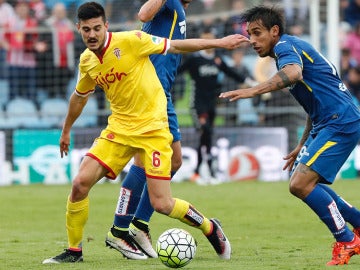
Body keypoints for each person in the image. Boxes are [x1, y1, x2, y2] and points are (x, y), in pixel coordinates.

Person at [42, 1, 249, 264]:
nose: (92, 35)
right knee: (80, 183)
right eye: (86, 30)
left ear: (106, 26)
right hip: (118, 129)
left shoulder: (133, 40)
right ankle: (75, 251)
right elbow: (79, 96)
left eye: (96, 28)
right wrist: (66, 129)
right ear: (78, 29)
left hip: (153, 129)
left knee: (162, 203)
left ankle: (209, 227)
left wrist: (219, 43)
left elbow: (176, 45)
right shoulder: (87, 61)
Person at [219, 5, 360, 266]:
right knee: (306, 183)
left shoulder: (285, 47)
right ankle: (358, 224)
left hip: (340, 121)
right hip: (333, 120)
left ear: (275, 31)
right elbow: (313, 105)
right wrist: (302, 144)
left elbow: (293, 74)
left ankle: (347, 239)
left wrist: (252, 91)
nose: (252, 41)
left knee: (299, 184)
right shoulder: (290, 49)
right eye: (249, 34)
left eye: (257, 33)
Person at [105, 0, 193, 260]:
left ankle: (134, 226)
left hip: (161, 91)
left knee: (169, 161)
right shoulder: (168, 3)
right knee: (152, 160)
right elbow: (143, 13)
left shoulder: (179, 9)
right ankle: (124, 228)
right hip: (152, 92)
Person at [178, 27, 247, 184]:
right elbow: (177, 72)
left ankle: (199, 172)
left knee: (207, 136)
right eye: (204, 39)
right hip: (197, 105)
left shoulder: (217, 59)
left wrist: (250, 83)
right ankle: (208, 171)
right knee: (206, 132)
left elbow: (231, 73)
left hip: (212, 105)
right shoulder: (194, 60)